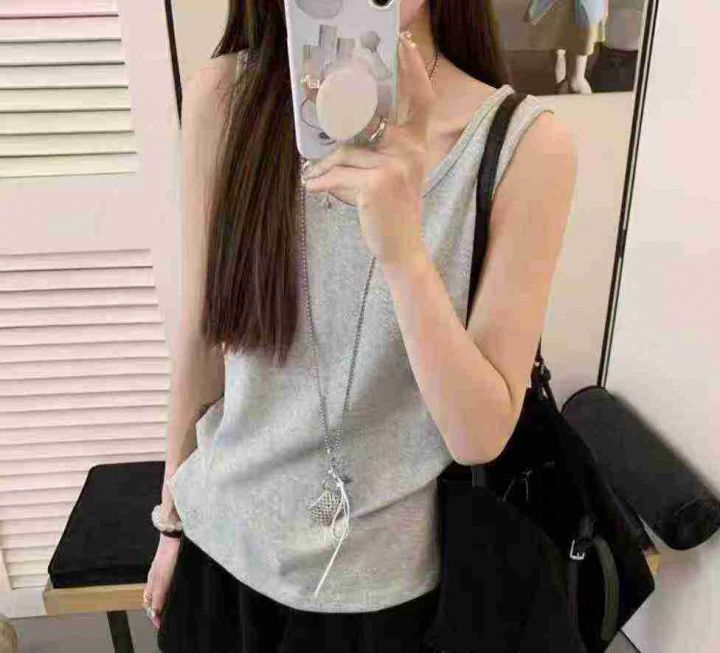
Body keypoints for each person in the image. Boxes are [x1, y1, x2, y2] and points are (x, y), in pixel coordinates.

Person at [145, 0, 577, 651]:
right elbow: (200, 340)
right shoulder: (227, 98)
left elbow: (479, 434)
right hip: (222, 558)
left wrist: (403, 251)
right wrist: (171, 523)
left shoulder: (525, 145)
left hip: (386, 599)